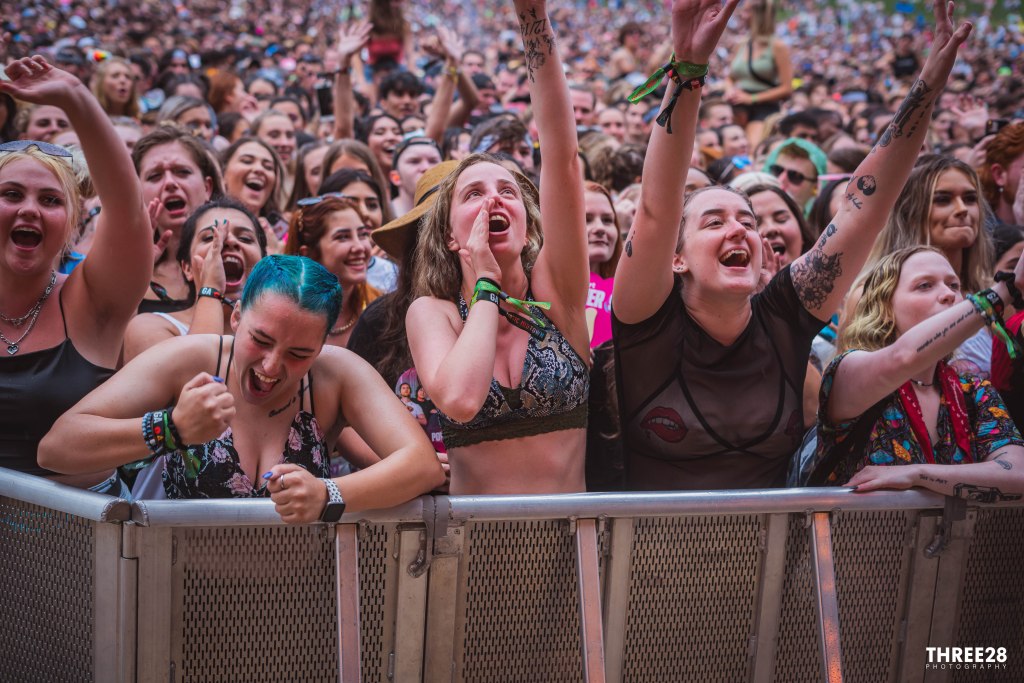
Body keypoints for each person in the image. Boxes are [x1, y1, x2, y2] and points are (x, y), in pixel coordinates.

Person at [612, 0, 971, 490]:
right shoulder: (647, 321)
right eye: (714, 221)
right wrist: (689, 67)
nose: (738, 229)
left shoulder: (784, 316)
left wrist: (926, 88)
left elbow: (863, 207)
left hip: (775, 542)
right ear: (676, 258)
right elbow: (657, 209)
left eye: (747, 221)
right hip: (649, 542)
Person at [39, 255, 445, 518]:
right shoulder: (190, 359)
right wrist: (170, 429)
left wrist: (328, 493)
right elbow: (57, 447)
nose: (272, 366)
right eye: (261, 340)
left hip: (296, 600)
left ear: (322, 346)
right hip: (178, 594)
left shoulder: (335, 373)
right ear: (236, 319)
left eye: (299, 353)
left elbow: (421, 465)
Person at [405, 0, 590, 495]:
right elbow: (461, 400)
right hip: (471, 541)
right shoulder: (433, 313)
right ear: (449, 235)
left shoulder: (556, 292)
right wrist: (485, 284)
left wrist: (533, 20)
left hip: (569, 537)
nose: (494, 200)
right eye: (473, 194)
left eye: (508, 191)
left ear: (528, 227)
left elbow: (562, 157)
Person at [0, 56, 151, 489]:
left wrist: (76, 97)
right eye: (11, 194)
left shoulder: (93, 301)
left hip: (77, 527)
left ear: (72, 222)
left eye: (50, 200)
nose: (30, 209)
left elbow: (128, 210)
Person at [809, 246, 1024, 498]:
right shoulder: (847, 370)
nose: (949, 294)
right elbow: (903, 357)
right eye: (925, 285)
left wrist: (919, 474)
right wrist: (1006, 289)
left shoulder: (974, 390)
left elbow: (1017, 474)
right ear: (885, 307)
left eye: (954, 285)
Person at [134, 126, 222, 314]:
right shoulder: (123, 268)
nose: (169, 183)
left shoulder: (238, 255)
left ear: (207, 187)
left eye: (182, 171)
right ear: (138, 193)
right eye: (155, 176)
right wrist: (134, 275)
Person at [285, 194, 380, 347]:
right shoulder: (286, 313)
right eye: (343, 237)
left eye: (362, 234)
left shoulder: (380, 308)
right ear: (307, 254)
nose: (359, 247)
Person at [725, 0, 793, 145]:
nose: (742, 15)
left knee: (753, 146)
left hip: (764, 108)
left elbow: (787, 88)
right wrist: (729, 90)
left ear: (760, 15)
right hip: (738, 107)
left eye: (746, 11)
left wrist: (752, 98)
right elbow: (730, 78)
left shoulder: (778, 46)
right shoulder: (742, 45)